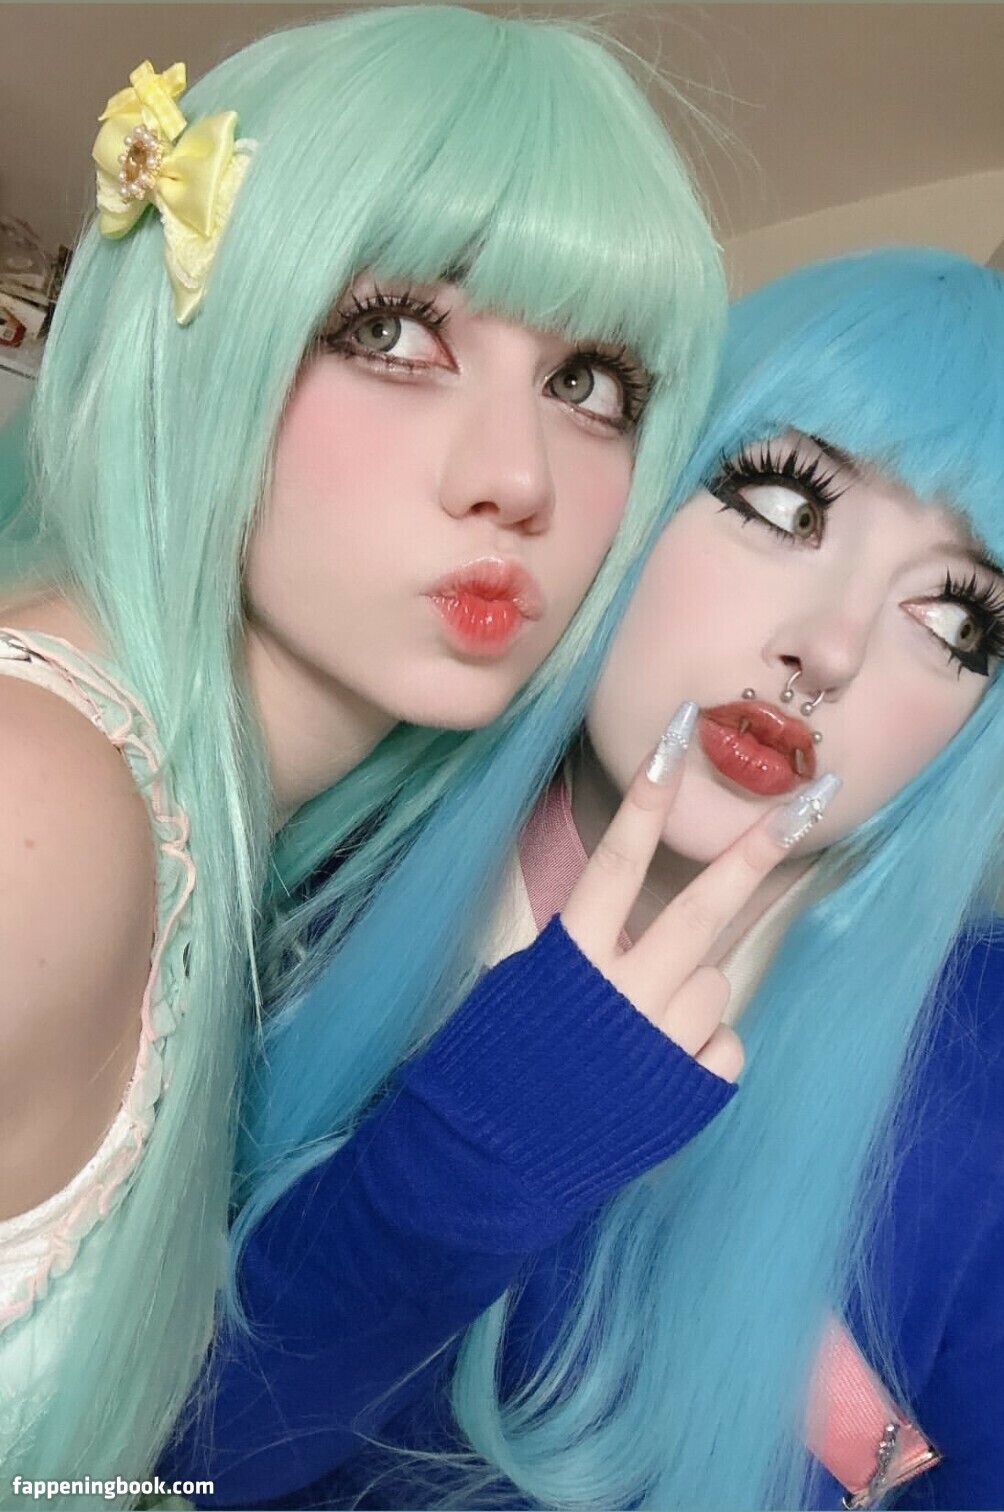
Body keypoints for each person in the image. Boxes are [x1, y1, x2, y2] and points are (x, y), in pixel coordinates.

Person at [164, 249, 1004, 1510]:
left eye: (954, 621)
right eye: (781, 507)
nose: (826, 648)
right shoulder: (293, 856)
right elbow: (99, 1472)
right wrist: (466, 1167)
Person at [0, 8, 729, 1500]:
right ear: (199, 338)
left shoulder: (194, 830)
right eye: (392, 333)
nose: (516, 478)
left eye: (589, 383)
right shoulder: (38, 805)